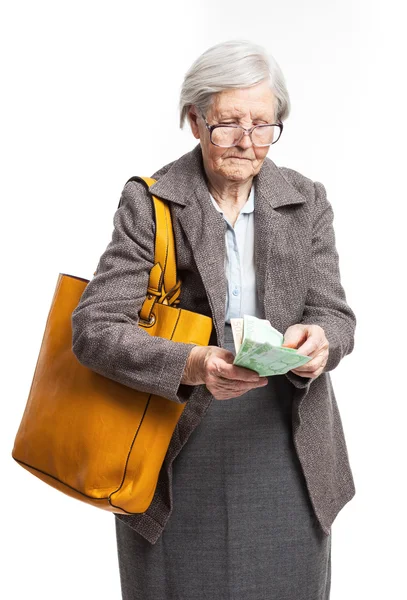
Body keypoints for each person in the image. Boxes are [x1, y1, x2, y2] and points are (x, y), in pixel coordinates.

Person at [71, 39, 356, 600]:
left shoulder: (307, 200)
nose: (247, 143)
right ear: (195, 120)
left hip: (287, 440)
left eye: (263, 125)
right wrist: (192, 363)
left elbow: (334, 313)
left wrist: (322, 341)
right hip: (172, 440)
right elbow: (95, 329)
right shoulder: (150, 201)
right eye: (229, 124)